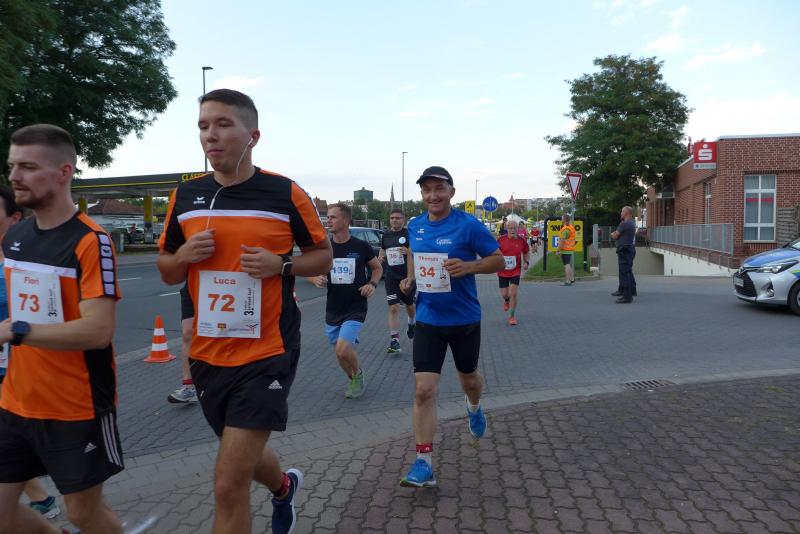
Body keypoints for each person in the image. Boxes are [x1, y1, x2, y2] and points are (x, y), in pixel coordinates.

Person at [157, 89, 331, 534]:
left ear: (252, 135)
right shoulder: (186, 196)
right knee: (243, 456)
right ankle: (284, 487)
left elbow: (323, 257)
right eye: (203, 126)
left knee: (227, 483)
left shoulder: (284, 192)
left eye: (222, 124)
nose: (210, 135)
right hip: (208, 355)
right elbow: (167, 271)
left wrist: (282, 265)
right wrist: (184, 257)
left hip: (266, 352)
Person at [0, 124, 124, 534]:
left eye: (28, 167)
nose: (15, 176)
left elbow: (97, 331)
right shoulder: (16, 236)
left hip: (75, 406)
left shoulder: (90, 241)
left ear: (64, 172)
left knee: (83, 514)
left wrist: (16, 331)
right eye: (12, 166)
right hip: (15, 401)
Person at [398, 166, 504, 487]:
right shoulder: (415, 225)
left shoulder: (468, 225)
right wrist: (410, 278)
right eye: (427, 190)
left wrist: (469, 266)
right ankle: (423, 461)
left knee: (469, 380)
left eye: (439, 189)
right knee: (423, 390)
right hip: (428, 319)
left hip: (464, 319)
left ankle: (474, 406)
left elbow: (499, 260)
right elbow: (413, 254)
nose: (433, 195)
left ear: (452, 193)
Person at [0, 186, 63, 523]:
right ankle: (40, 497)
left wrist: (16, 330)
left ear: (14, 218)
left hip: (22, 372)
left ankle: (43, 498)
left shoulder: (27, 263)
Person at [310, 203, 382, 398]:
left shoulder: (361, 246)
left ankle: (358, 374)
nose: (328, 221)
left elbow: (377, 268)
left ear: (346, 220)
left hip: (356, 306)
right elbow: (309, 270)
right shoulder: (325, 248)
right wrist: (315, 278)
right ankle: (354, 378)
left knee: (343, 350)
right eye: (328, 217)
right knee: (339, 353)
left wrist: (372, 284)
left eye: (333, 217)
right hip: (333, 308)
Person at [378, 208, 416, 353]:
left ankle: (412, 323)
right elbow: (383, 249)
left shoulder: (409, 234)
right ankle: (395, 341)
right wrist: (381, 256)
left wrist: (409, 252)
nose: (395, 220)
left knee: (410, 306)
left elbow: (416, 251)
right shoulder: (386, 235)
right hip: (391, 277)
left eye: (398, 218)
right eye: (392, 218)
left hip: (407, 276)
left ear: (403, 220)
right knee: (393, 307)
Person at [167, 284, 198, 403]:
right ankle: (189, 388)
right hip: (193, 285)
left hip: (224, 284)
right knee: (187, 333)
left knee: (222, 333)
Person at [497, 219, 530, 326]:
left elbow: (526, 251)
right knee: (504, 294)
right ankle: (506, 300)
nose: (513, 230)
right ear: (507, 229)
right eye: (510, 228)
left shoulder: (521, 240)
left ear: (517, 229)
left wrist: (526, 262)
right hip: (502, 270)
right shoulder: (501, 240)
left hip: (515, 270)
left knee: (513, 293)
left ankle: (512, 316)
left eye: (515, 228)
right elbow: (494, 252)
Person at [611, 206, 637, 303]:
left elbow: (615, 236)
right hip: (629, 249)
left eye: (622, 212)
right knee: (627, 271)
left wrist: (612, 234)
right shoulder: (631, 223)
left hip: (624, 250)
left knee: (624, 273)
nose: (621, 213)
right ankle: (629, 291)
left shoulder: (625, 224)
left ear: (626, 213)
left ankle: (627, 296)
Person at [557, 213, 576, 286]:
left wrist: (558, 250)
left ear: (564, 219)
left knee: (566, 265)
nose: (561, 219)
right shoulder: (570, 227)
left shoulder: (565, 229)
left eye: (562, 218)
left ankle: (568, 281)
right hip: (569, 248)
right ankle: (571, 278)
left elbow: (562, 241)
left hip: (565, 249)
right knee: (568, 264)